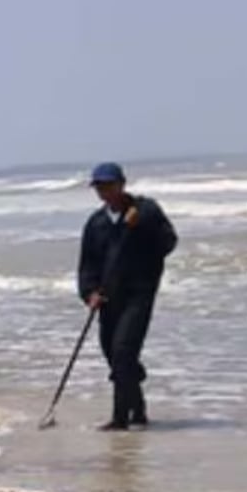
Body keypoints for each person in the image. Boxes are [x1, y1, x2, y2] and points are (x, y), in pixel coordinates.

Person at [77, 162, 177, 431]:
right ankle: (139, 409)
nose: (105, 192)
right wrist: (89, 293)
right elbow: (88, 264)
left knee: (122, 352)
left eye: (109, 185)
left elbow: (168, 243)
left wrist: (142, 225)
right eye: (99, 187)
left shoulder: (146, 211)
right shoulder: (96, 223)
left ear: (122, 184)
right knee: (114, 354)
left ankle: (120, 418)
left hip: (139, 294)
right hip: (108, 298)